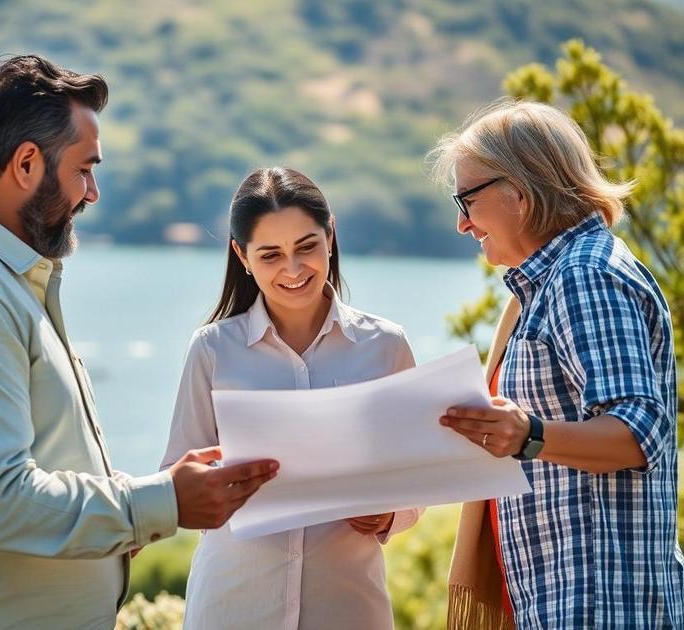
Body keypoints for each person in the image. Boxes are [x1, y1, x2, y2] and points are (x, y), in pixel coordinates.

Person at [0, 55, 278, 629]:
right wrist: (160, 503)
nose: (93, 193)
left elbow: (32, 464)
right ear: (27, 163)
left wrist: (139, 503)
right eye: (84, 169)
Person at [428, 99, 684, 628]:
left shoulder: (581, 277)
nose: (461, 223)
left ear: (517, 194)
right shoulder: (558, 280)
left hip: (599, 607)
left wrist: (528, 435)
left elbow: (643, 432)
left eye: (466, 199)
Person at [161, 167, 423, 629]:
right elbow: (176, 479)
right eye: (271, 255)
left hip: (347, 609)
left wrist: (388, 513)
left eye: (307, 247)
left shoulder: (385, 346)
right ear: (241, 256)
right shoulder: (212, 349)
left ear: (330, 234)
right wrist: (222, 488)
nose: (293, 269)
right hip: (233, 607)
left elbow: (421, 475)